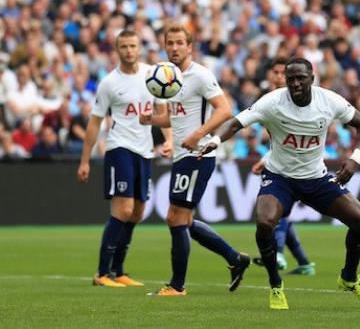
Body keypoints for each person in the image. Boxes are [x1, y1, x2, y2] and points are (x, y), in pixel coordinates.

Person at [201, 58, 360, 310]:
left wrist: (355, 158)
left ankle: (349, 277)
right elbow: (236, 122)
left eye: (301, 78)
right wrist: (215, 141)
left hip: (315, 178)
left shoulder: (328, 100)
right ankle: (275, 285)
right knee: (264, 223)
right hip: (279, 177)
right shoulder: (272, 101)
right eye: (290, 78)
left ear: (312, 78)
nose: (295, 83)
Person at [140, 24, 251, 296]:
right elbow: (176, 116)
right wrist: (152, 120)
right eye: (170, 43)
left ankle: (177, 286)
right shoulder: (170, 78)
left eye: (180, 42)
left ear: (190, 47)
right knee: (183, 219)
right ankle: (235, 259)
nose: (175, 47)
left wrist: (198, 134)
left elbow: (225, 110)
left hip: (198, 154)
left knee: (175, 217)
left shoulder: (200, 75)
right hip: (182, 155)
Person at [77, 30, 158, 287]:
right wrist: (85, 160)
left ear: (139, 48)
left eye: (133, 46)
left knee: (137, 212)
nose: (129, 51)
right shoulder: (109, 83)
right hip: (120, 147)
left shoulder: (152, 76)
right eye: (124, 47)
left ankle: (118, 270)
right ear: (117, 50)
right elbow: (94, 123)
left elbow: (164, 110)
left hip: (145, 150)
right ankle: (102, 273)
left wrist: (168, 140)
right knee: (122, 209)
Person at [250, 57, 315, 276]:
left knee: (279, 207)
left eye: (282, 73)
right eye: (276, 73)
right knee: (278, 212)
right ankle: (304, 261)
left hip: (302, 161)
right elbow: (278, 139)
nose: (279, 77)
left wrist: (266, 159)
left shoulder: (299, 99)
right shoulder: (271, 100)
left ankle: (277, 252)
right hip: (280, 158)